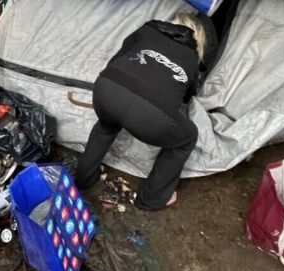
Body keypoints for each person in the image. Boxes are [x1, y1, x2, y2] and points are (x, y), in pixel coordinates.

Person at [75, 13, 217, 211]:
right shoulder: (192, 57)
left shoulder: (147, 29)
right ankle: (152, 198)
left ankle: (84, 177)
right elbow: (187, 96)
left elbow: (118, 58)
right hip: (150, 114)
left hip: (106, 89)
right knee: (187, 137)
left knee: (107, 125)